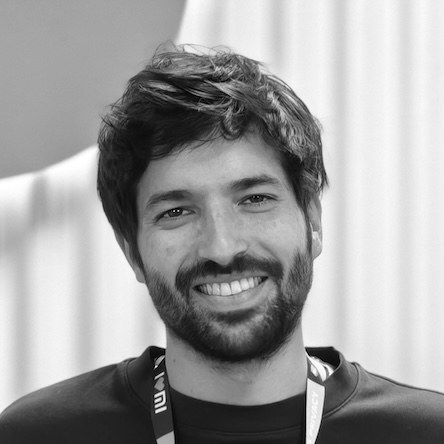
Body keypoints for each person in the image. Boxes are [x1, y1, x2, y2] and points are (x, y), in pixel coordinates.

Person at [1, 44, 443, 444]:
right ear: (131, 251)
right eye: (176, 211)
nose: (222, 247)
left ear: (312, 221)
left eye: (255, 199)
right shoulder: (38, 435)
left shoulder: (425, 433)